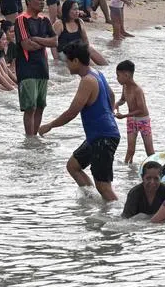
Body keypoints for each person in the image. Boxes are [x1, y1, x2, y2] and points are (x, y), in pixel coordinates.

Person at [38, 41, 121, 202]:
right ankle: (92, 201)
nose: (66, 65)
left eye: (68, 61)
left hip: (103, 137)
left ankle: (118, 217)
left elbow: (72, 112)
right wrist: (109, 114)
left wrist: (50, 125)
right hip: (99, 136)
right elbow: (111, 96)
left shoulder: (87, 81)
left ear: (76, 61)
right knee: (73, 166)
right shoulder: (97, 73)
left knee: (104, 186)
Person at [15, 0, 56, 136]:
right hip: (27, 68)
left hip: (42, 67)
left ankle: (34, 138)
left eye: (43, 0)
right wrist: (45, 42)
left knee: (40, 106)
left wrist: (37, 39)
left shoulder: (44, 20)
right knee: (30, 106)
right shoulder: (22, 19)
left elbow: (55, 41)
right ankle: (29, 137)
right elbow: (26, 45)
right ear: (29, 1)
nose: (42, 2)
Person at [114, 59, 153, 164]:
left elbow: (141, 109)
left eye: (118, 75)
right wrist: (116, 105)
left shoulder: (137, 90)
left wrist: (124, 116)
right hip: (131, 121)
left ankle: (157, 170)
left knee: (149, 152)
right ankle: (127, 171)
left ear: (126, 75)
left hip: (143, 121)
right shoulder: (125, 86)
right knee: (130, 150)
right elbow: (123, 100)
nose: (117, 78)